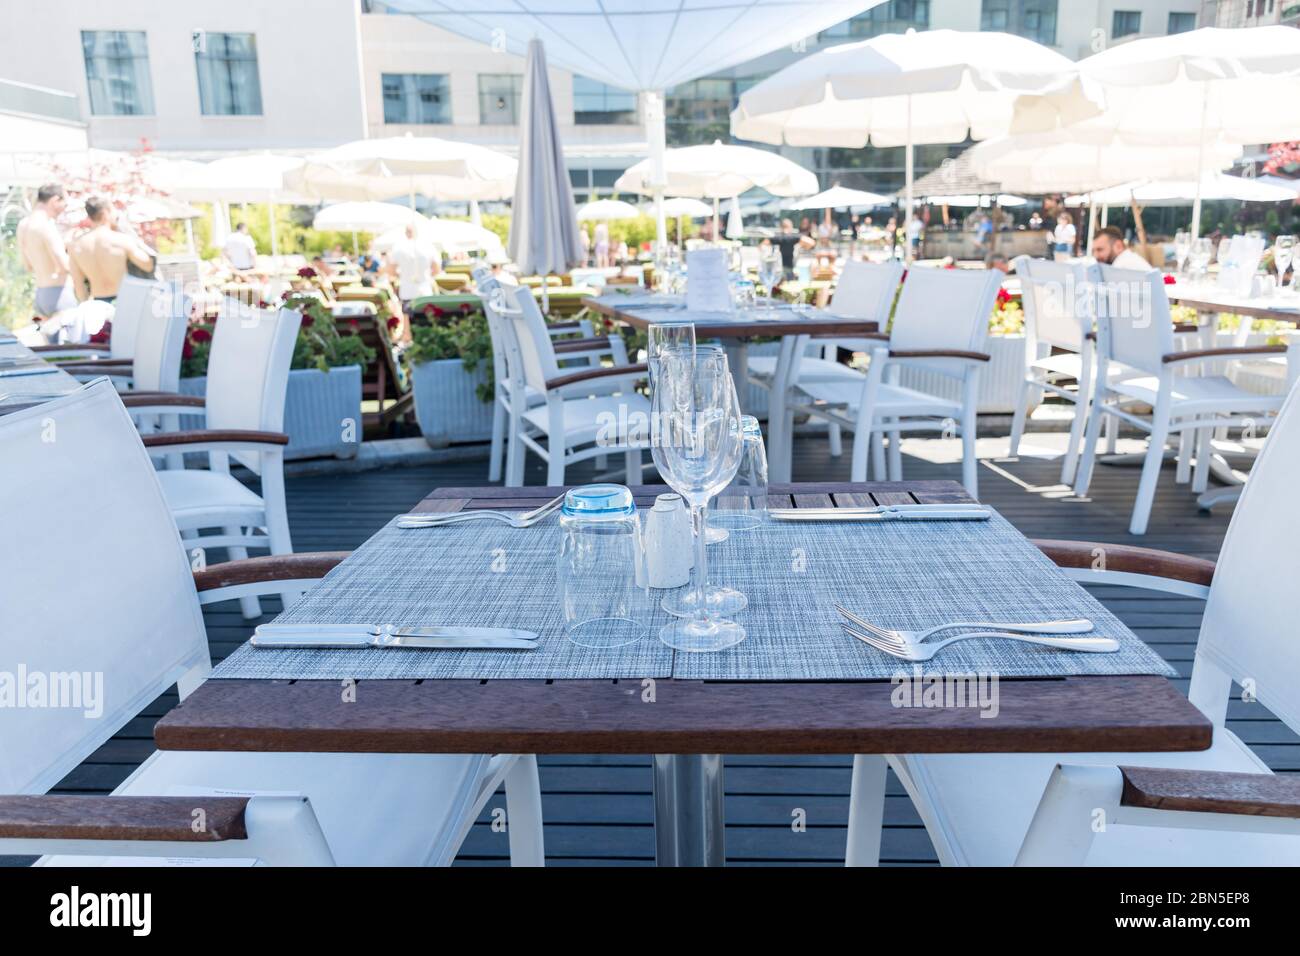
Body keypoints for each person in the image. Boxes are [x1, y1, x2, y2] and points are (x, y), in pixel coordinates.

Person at [67, 195, 155, 304]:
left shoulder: (76, 246)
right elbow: (148, 265)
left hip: (98, 303)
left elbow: (78, 285)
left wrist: (86, 307)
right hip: (123, 300)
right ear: (105, 213)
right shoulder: (121, 240)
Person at [17, 183, 75, 318]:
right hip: (59, 295)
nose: (64, 209)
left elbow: (28, 265)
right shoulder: (46, 226)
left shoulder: (23, 225)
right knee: (70, 339)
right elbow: (64, 266)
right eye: (64, 204)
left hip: (41, 294)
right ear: (55, 201)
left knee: (48, 339)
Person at [388, 224, 439, 313]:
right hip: (425, 290)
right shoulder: (428, 246)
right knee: (425, 320)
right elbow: (436, 270)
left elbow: (391, 271)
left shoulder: (398, 247)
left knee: (407, 321)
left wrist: (402, 275)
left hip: (406, 291)